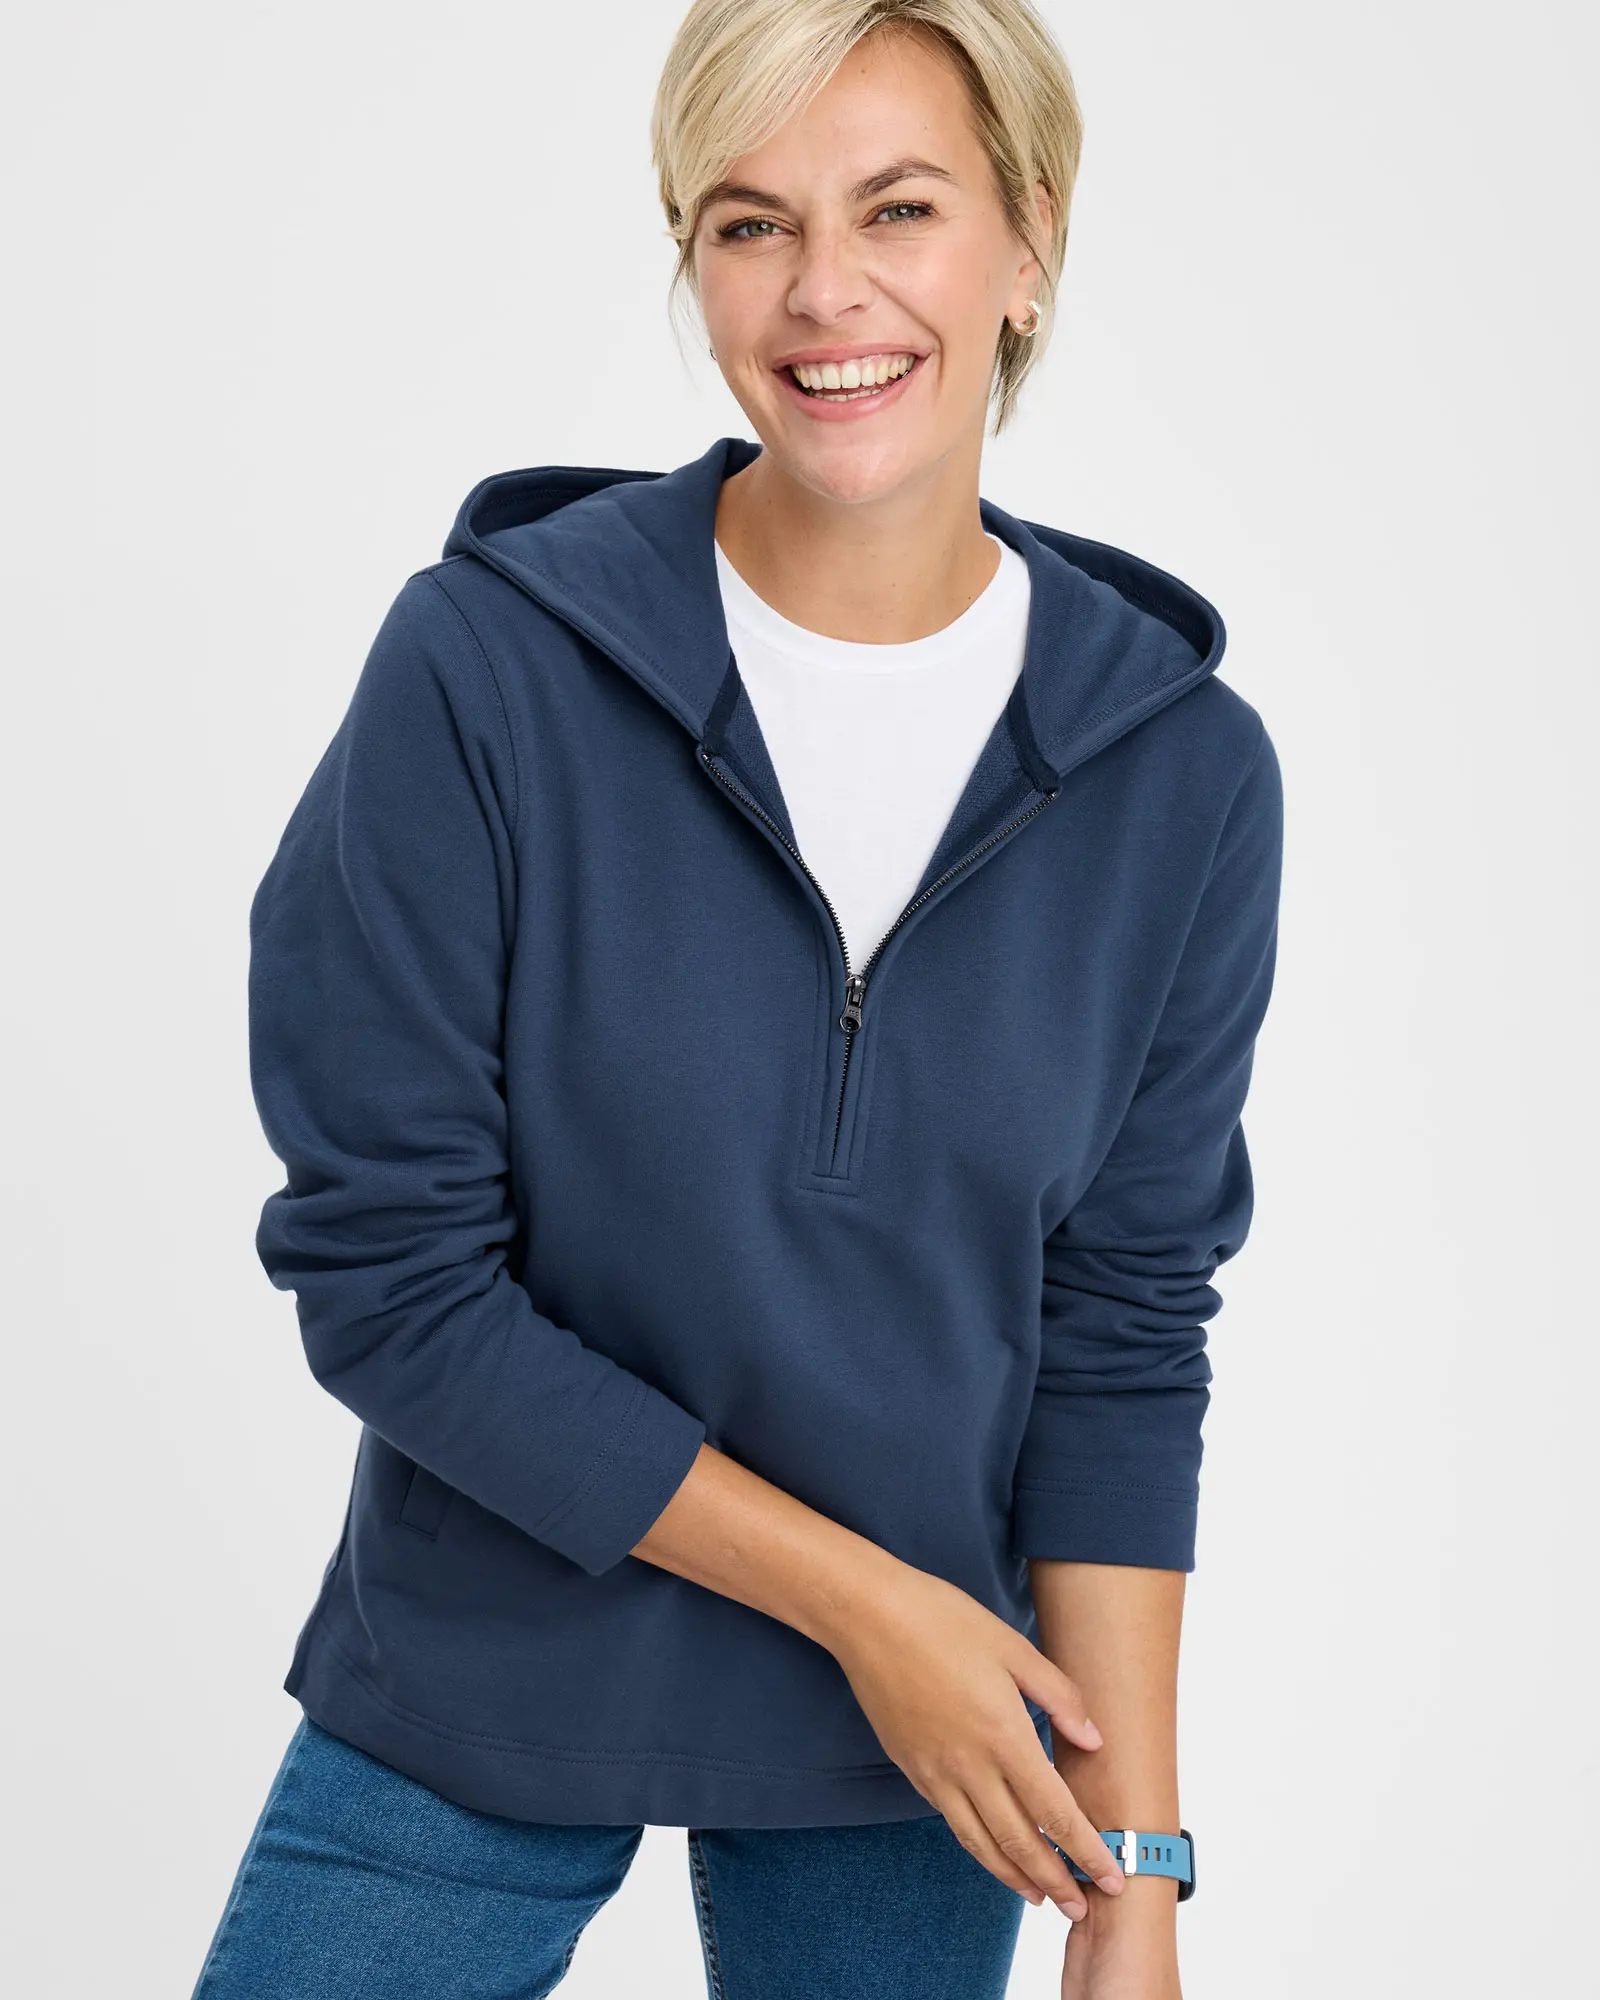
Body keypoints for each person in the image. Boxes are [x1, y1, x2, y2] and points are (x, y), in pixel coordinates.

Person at [191, 3, 1283, 1995]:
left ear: (1030, 238)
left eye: (899, 208)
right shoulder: (485, 671)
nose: (823, 292)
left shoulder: (1179, 772)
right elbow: (390, 1282)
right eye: (749, 222)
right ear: (689, 256)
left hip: (930, 1746)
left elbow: (1122, 1330)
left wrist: (1133, 1882)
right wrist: (871, 1608)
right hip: (502, 1649)